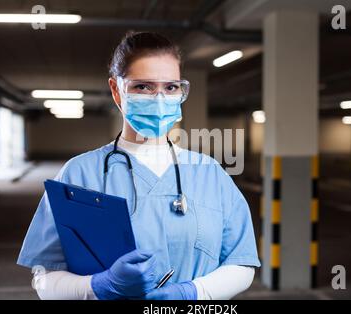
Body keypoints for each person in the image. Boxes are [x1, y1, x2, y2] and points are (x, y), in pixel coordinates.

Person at [17, 31, 261, 300]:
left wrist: (193, 293)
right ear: (116, 90)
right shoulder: (79, 174)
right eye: (143, 87)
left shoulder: (210, 173)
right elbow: (45, 279)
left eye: (170, 87)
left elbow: (241, 263)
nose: (159, 99)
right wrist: (99, 286)